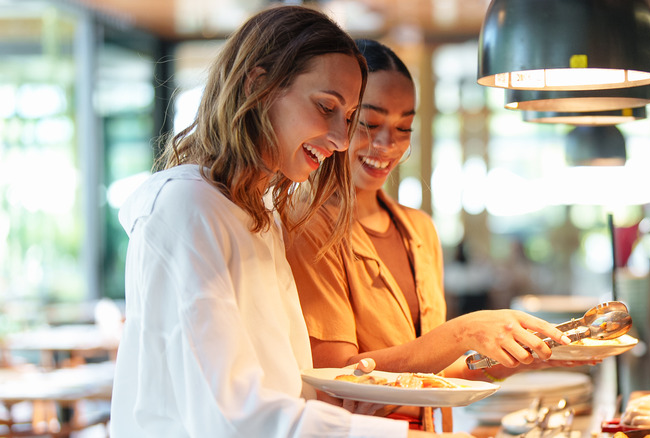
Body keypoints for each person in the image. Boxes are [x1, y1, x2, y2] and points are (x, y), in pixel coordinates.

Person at [110, 7, 471, 438]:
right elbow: (231, 416)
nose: (340, 140)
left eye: (349, 117)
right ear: (258, 84)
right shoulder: (186, 208)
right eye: (326, 107)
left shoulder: (257, 214)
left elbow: (294, 387)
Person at [286, 39, 590, 427]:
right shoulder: (309, 228)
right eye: (371, 123)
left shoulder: (419, 229)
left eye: (404, 127)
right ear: (342, 120)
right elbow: (338, 381)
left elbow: (435, 380)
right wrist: (463, 331)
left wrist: (525, 356)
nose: (387, 144)